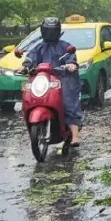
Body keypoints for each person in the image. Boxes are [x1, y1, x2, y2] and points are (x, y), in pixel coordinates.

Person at [21, 17, 83, 146]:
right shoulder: (38, 47)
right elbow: (30, 59)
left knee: (68, 102)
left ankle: (75, 136)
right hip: (43, 80)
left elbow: (70, 58)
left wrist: (71, 65)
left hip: (64, 78)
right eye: (47, 30)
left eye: (52, 30)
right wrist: (25, 66)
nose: (49, 33)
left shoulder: (65, 46)